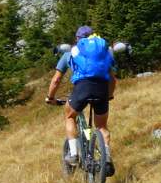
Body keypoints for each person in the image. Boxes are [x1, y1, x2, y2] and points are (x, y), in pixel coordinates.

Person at [46, 26, 117, 173]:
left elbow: (56, 80)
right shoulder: (104, 52)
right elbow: (112, 78)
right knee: (102, 127)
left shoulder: (71, 53)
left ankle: (73, 154)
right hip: (102, 89)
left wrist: (50, 97)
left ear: (77, 39)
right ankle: (107, 158)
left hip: (82, 89)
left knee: (70, 116)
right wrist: (109, 95)